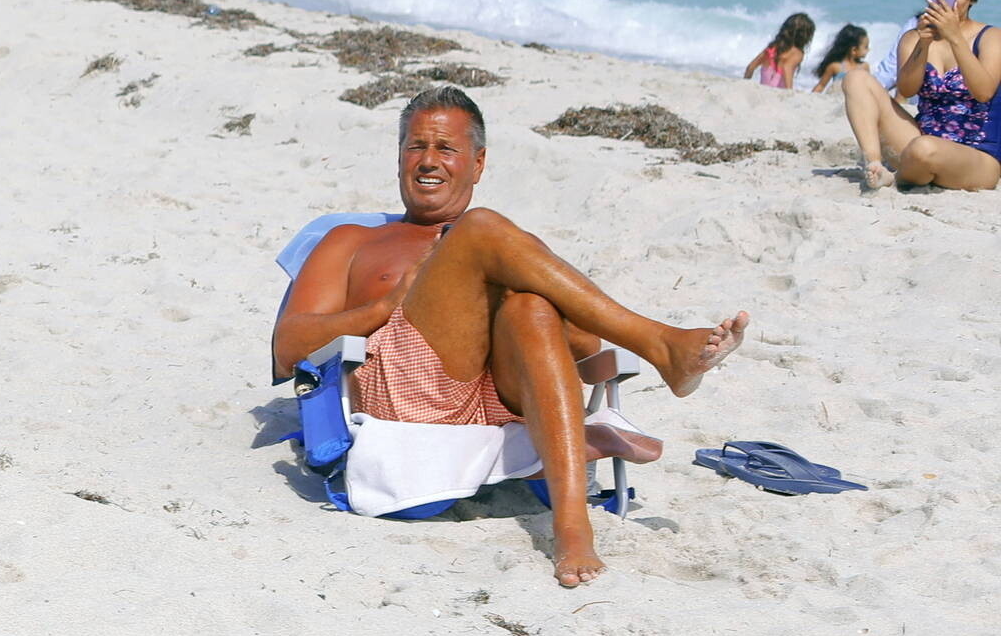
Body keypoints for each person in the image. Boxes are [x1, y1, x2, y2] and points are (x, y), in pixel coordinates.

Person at [271, 86, 749, 588]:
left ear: (477, 164)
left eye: (446, 148)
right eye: (416, 146)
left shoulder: (512, 248)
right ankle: (658, 343)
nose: (429, 160)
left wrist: (527, 301)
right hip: (411, 389)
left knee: (529, 305)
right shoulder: (353, 241)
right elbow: (288, 348)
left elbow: (585, 350)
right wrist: (384, 306)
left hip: (506, 396)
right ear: (399, 158)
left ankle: (571, 525)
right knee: (480, 228)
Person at [842, 0, 998, 190]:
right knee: (856, 79)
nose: (949, 0)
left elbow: (984, 92)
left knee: (924, 149)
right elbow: (907, 89)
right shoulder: (913, 37)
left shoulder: (991, 38)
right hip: (920, 140)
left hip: (976, 154)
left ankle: (896, 177)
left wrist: (955, 38)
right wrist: (923, 44)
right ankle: (874, 164)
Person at [742, 12, 816, 90]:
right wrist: (790, 91)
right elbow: (787, 68)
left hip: (764, 91)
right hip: (778, 93)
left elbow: (750, 67)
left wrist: (745, 86)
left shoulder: (772, 48)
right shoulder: (798, 53)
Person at [810, 25, 869, 93]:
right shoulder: (835, 67)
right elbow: (821, 85)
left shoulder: (864, 66)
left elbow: (868, 86)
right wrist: (810, 97)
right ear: (854, 50)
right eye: (866, 47)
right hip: (838, 97)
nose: (868, 50)